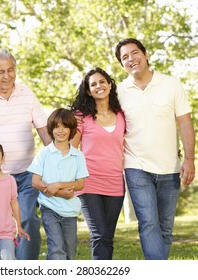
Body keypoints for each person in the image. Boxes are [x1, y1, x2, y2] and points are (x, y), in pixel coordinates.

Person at [114, 38, 195, 260]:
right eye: (125, 57)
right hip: (136, 166)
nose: (131, 59)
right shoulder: (118, 92)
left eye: (134, 53)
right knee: (149, 222)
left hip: (169, 167)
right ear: (122, 65)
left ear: (146, 54)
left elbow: (185, 122)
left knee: (165, 228)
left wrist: (189, 159)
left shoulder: (171, 84)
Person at [0, 49, 52, 260]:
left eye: (11, 70)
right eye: (1, 72)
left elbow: (42, 128)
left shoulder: (26, 93)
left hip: (26, 172)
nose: (7, 76)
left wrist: (55, 158)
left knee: (27, 219)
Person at [69, 67, 126, 260]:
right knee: (99, 234)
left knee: (107, 237)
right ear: (88, 91)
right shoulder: (81, 117)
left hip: (115, 183)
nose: (99, 86)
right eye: (93, 84)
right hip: (89, 182)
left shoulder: (122, 115)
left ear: (110, 84)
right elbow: (70, 150)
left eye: (102, 82)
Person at [28, 108, 89, 260]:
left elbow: (80, 184)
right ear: (51, 129)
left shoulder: (78, 155)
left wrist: (59, 184)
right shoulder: (44, 153)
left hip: (70, 210)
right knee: (56, 250)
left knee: (70, 252)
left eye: (65, 126)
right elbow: (35, 182)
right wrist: (57, 192)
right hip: (49, 207)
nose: (60, 131)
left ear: (71, 129)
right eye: (56, 127)